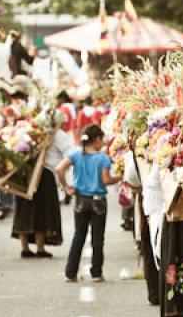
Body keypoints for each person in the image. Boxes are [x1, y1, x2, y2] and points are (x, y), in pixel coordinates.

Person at [57, 125, 121, 282]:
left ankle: (70, 273)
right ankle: (96, 273)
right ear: (97, 139)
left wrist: (66, 187)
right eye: (102, 140)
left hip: (80, 199)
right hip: (98, 201)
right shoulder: (103, 158)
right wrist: (119, 177)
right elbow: (106, 180)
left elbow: (59, 169)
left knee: (79, 235)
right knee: (97, 238)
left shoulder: (76, 155)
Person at [12, 116, 71, 258]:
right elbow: (69, 153)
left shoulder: (22, 131)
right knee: (42, 210)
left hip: (24, 171)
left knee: (24, 208)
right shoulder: (56, 134)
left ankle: (25, 247)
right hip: (45, 173)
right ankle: (40, 247)